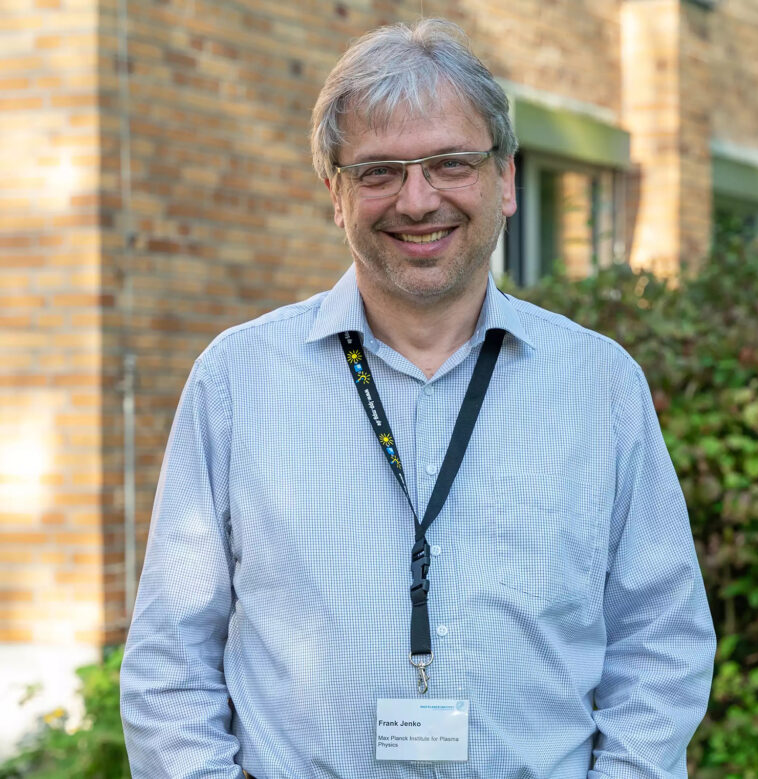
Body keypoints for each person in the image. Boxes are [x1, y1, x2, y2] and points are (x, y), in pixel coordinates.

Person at [120, 19, 715, 778]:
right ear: (336, 194)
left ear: (504, 179)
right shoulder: (237, 380)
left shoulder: (600, 386)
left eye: (450, 163)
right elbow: (170, 659)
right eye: (378, 172)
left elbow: (661, 641)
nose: (417, 199)